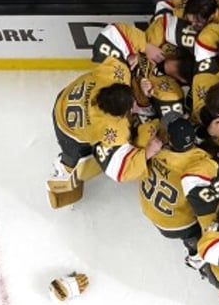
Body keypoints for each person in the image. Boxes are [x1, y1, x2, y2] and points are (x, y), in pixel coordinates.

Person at [48, 27, 154, 208]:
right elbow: (118, 171)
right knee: (74, 159)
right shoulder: (109, 130)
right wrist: (150, 151)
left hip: (65, 97)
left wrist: (144, 49)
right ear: (119, 115)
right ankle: (63, 170)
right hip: (67, 129)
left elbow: (115, 33)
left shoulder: (112, 74)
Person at [140, 112, 219, 269]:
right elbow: (216, 172)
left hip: (150, 210)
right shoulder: (200, 159)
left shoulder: (157, 151)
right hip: (179, 224)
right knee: (201, 216)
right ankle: (195, 254)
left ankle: (191, 245)